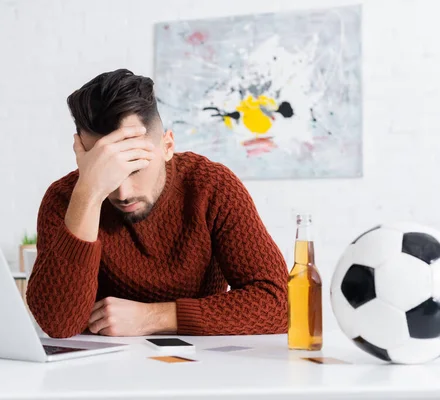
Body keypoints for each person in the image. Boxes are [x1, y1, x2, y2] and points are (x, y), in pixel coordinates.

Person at [26, 69, 288, 338]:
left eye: (136, 167)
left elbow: (279, 304)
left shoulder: (211, 186)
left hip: (201, 365)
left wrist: (153, 317)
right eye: (107, 169)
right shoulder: (66, 198)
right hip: (101, 370)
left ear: (167, 146)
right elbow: (57, 325)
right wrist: (89, 194)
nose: (122, 192)